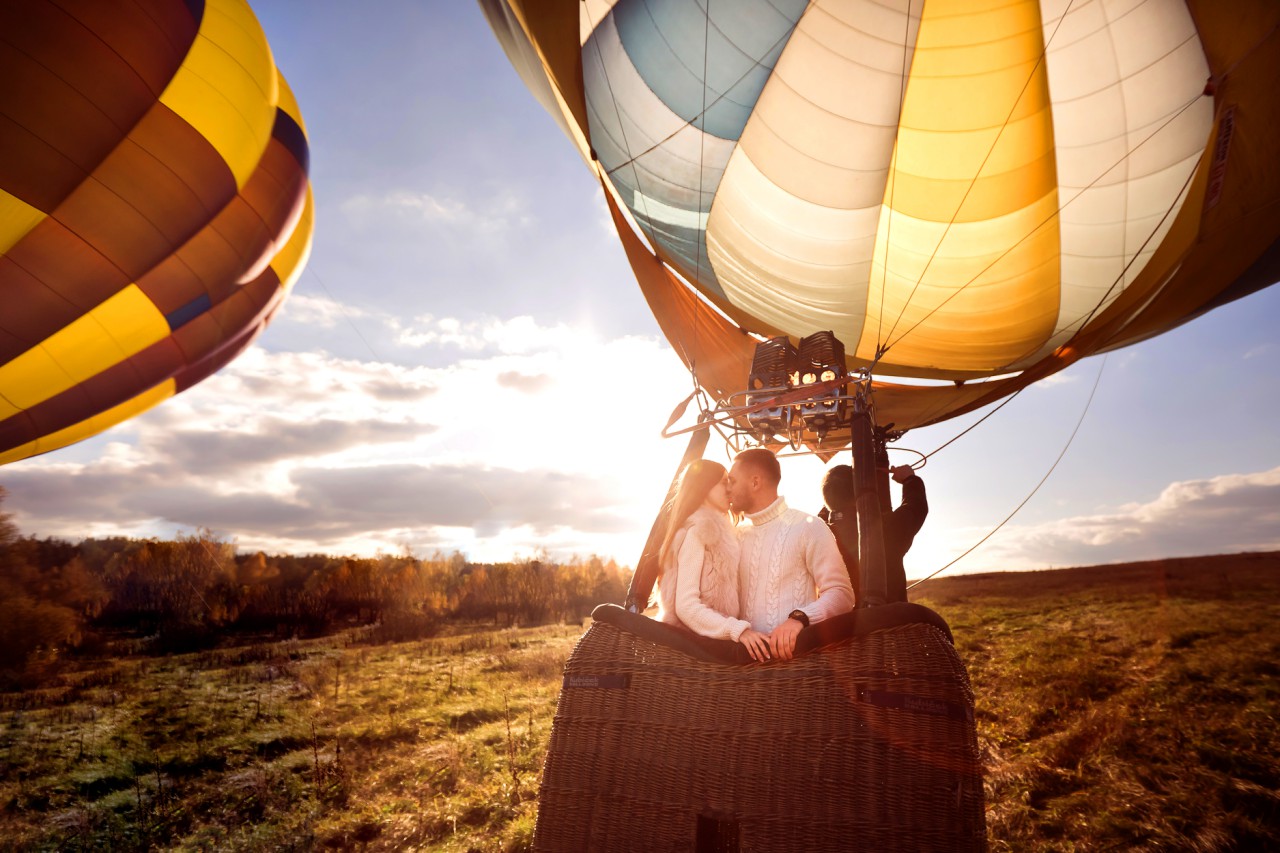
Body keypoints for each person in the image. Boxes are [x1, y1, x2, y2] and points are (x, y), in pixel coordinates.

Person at [726, 448, 855, 661]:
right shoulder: (733, 537)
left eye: (732, 480)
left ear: (755, 482)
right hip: (743, 671)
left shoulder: (809, 527)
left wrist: (799, 618)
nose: (727, 489)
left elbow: (842, 593)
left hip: (799, 669)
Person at [657, 459, 772, 662]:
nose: (730, 489)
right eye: (724, 482)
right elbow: (686, 607)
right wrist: (739, 631)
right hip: (692, 654)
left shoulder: (726, 535)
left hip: (713, 648)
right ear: (705, 486)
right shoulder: (697, 532)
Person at [820, 463, 928, 604]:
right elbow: (916, 507)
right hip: (887, 622)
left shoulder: (820, 536)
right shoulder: (885, 528)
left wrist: (834, 494)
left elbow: (827, 512)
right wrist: (910, 479)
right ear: (860, 492)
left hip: (841, 624)